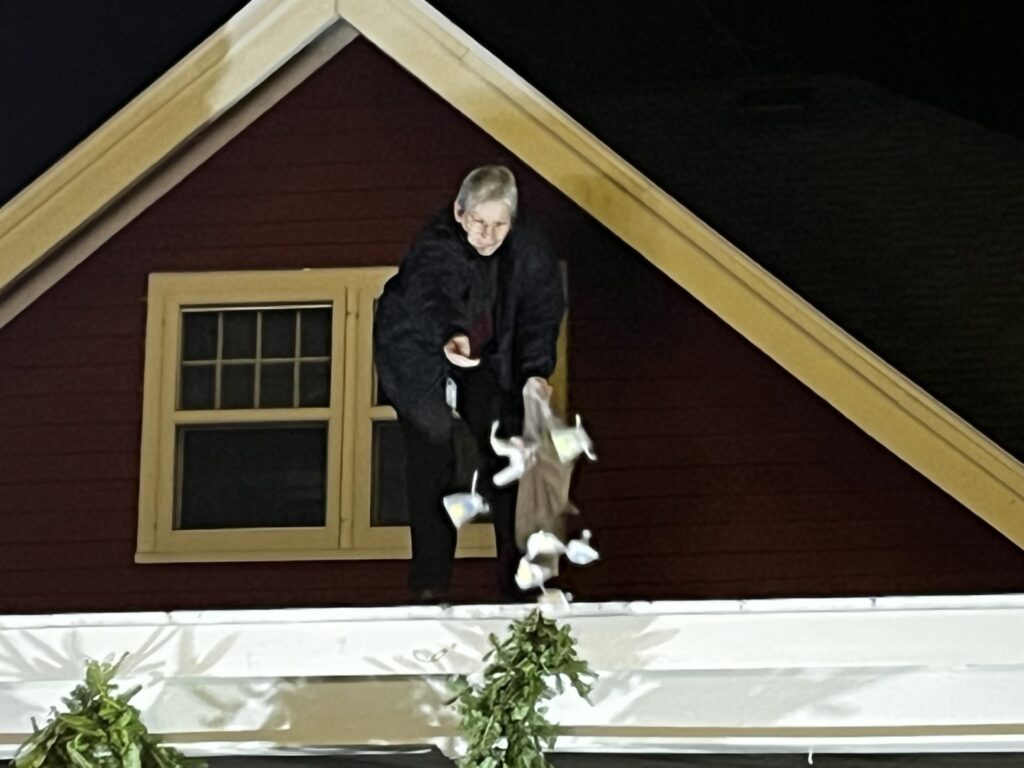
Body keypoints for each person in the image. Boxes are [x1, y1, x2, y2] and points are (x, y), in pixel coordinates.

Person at [374, 165, 565, 603]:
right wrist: (450, 333)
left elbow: (540, 312)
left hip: (486, 353)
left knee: (507, 444)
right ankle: (430, 583)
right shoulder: (436, 244)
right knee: (432, 449)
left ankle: (518, 582)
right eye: (479, 222)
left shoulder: (528, 253)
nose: (488, 234)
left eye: (499, 224)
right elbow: (433, 290)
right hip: (419, 345)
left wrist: (536, 370)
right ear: (461, 214)